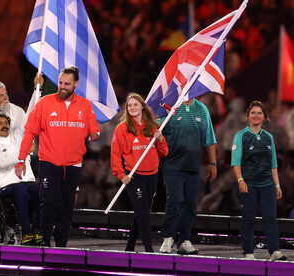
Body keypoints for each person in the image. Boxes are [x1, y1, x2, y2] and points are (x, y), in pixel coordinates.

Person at [16, 67, 100, 247]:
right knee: (49, 203)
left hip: (74, 165)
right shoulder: (44, 103)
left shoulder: (85, 105)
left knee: (67, 207)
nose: (62, 87)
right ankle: (45, 242)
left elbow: (94, 130)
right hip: (49, 162)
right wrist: (21, 160)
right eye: (60, 83)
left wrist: (95, 134)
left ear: (76, 84)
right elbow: (29, 132)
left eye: (67, 84)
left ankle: (62, 244)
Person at [158, 98, 217, 255]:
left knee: (190, 204)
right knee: (175, 201)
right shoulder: (168, 107)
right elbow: (155, 134)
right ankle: (168, 238)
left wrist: (213, 163)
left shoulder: (202, 109)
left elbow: (209, 140)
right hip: (172, 166)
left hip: (193, 167)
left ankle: (184, 240)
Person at [111, 93, 168, 252]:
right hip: (134, 177)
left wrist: (161, 140)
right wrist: (121, 174)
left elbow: (164, 152)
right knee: (143, 214)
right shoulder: (122, 129)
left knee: (141, 213)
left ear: (142, 106)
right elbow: (115, 154)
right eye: (129, 105)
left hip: (152, 176)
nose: (132, 108)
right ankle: (149, 250)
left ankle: (129, 247)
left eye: (136, 104)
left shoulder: (153, 126)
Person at [231, 101, 287, 260]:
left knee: (270, 217)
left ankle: (274, 251)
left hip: (267, 184)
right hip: (248, 184)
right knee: (248, 218)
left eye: (260, 113)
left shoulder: (268, 138)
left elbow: (274, 164)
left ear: (265, 117)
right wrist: (241, 181)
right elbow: (235, 162)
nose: (256, 116)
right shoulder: (240, 136)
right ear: (247, 116)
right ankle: (248, 252)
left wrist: (277, 185)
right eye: (253, 113)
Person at [0, 77, 42, 196]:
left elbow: (30, 119)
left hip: (17, 162)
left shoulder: (17, 111)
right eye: (1, 96)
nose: (6, 98)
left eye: (6, 94)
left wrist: (37, 90)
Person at [0, 113, 40, 244]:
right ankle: (26, 233)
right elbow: (2, 162)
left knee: (44, 190)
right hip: (5, 187)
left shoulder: (20, 141)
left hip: (27, 183)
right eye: (0, 123)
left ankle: (37, 230)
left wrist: (25, 150)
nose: (4, 125)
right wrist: (23, 152)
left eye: (6, 123)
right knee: (21, 190)